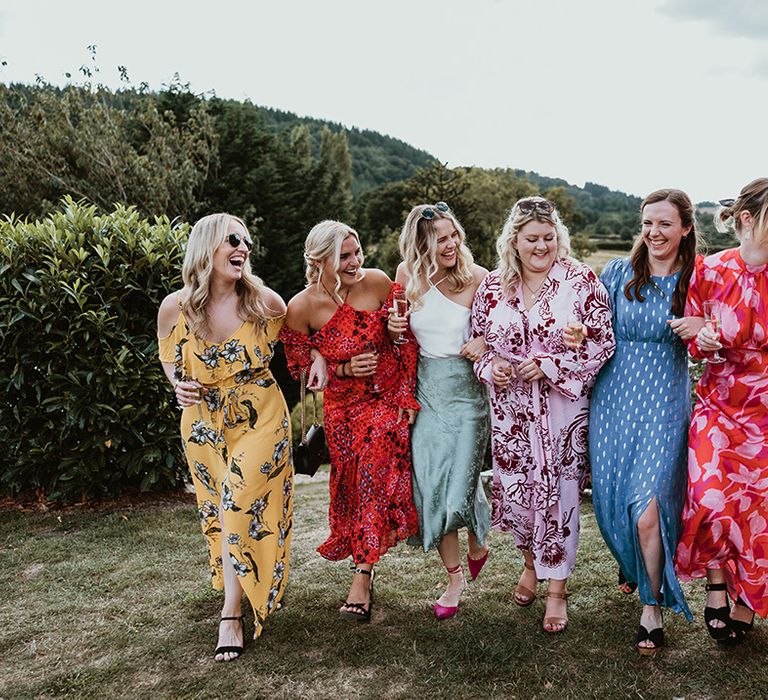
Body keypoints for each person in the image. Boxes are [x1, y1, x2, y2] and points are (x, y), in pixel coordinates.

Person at [471, 196, 615, 633]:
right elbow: (479, 343)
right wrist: (489, 367)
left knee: (560, 497)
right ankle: (531, 565)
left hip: (561, 411)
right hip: (511, 413)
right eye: (532, 239)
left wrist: (550, 365)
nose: (541, 247)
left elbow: (602, 341)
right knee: (518, 497)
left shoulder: (581, 281)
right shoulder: (493, 287)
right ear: (513, 240)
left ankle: (558, 591)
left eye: (549, 238)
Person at [157, 213, 294, 661]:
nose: (244, 248)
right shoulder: (174, 308)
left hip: (261, 418)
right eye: (234, 239)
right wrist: (178, 384)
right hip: (201, 424)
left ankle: (230, 613)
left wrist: (322, 361)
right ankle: (245, 581)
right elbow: (170, 363)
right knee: (219, 509)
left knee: (236, 503)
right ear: (207, 246)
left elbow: (306, 337)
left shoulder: (265, 302)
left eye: (248, 242)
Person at [280, 220, 419, 623]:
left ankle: (362, 575)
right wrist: (339, 368)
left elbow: (406, 337)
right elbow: (298, 367)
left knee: (373, 478)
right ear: (319, 260)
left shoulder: (376, 283)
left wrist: (396, 340)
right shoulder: (301, 307)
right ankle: (364, 559)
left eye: (357, 252)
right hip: (342, 411)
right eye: (344, 256)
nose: (355, 262)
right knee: (354, 488)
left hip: (386, 402)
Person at [589, 189, 704, 655]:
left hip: (664, 403)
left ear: (685, 229)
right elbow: (590, 325)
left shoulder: (697, 278)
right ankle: (637, 567)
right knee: (616, 501)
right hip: (612, 401)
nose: (654, 233)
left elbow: (719, 334)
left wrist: (702, 327)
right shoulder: (618, 273)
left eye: (664, 224)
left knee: (649, 505)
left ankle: (651, 606)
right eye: (647, 224)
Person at [675, 177, 768, 646]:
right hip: (717, 403)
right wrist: (704, 339)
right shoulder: (709, 270)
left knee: (757, 511)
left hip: (766, 413)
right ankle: (715, 584)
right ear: (747, 221)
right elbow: (692, 341)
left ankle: (747, 600)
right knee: (711, 499)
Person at [388, 202, 491, 619]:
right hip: (426, 390)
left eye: (453, 236)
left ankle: (478, 538)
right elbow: (400, 338)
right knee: (431, 485)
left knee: (461, 481)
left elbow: (500, 331)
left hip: (467, 393)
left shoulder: (480, 278)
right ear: (420, 243)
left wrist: (484, 343)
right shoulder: (405, 276)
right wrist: (394, 331)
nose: (451, 245)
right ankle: (453, 578)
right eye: (440, 239)